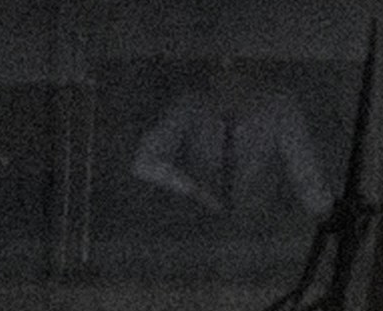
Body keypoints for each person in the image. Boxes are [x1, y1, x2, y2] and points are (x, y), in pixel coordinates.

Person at [131, 76, 334, 226]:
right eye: (220, 69)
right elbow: (143, 162)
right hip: (195, 230)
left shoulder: (280, 109)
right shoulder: (189, 107)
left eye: (239, 67)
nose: (228, 76)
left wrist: (323, 213)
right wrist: (193, 190)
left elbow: (305, 173)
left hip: (263, 228)